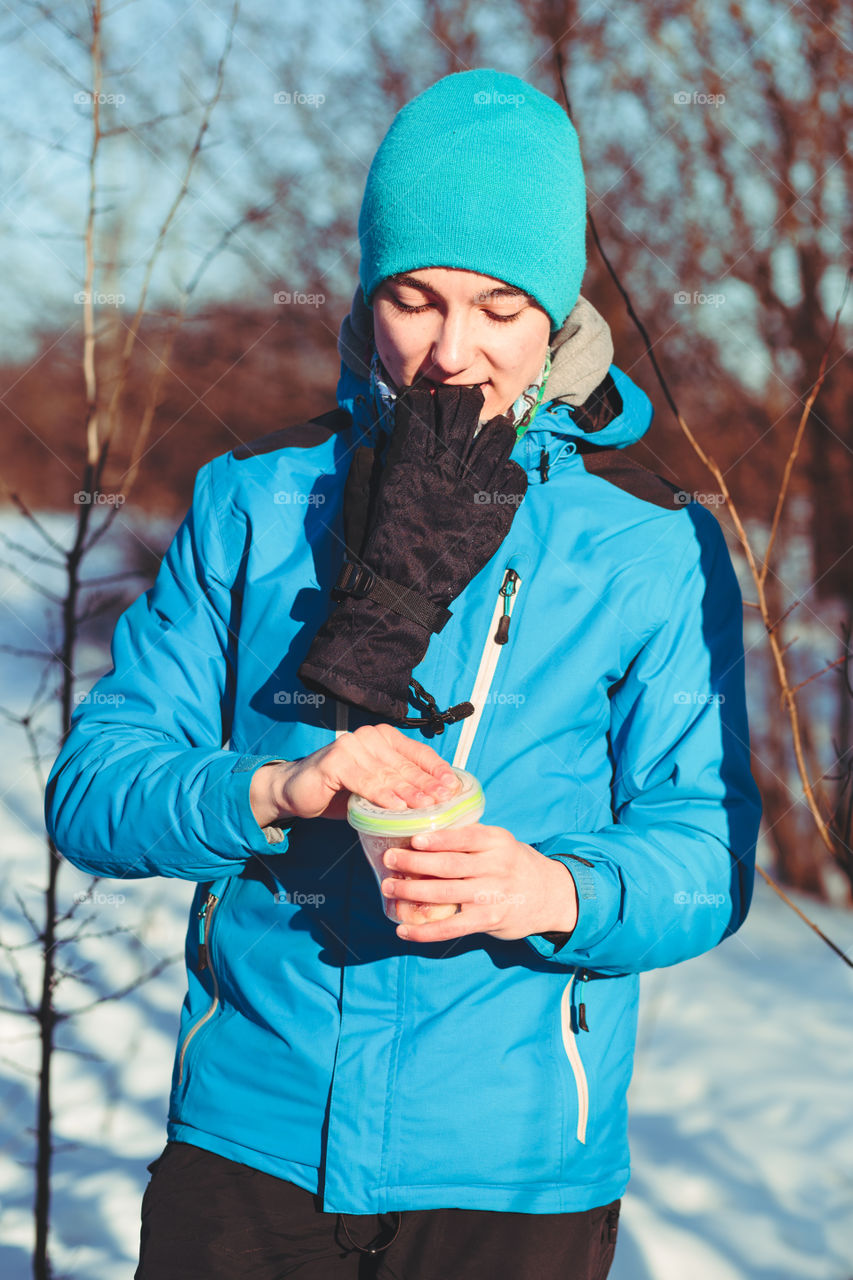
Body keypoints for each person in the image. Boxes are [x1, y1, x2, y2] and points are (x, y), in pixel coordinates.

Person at [44, 68, 762, 1280]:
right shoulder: (257, 503)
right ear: (369, 296)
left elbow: (705, 847)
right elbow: (96, 788)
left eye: (498, 306)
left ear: (557, 311)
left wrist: (550, 890)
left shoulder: (648, 540)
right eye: (414, 300)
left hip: (516, 1163)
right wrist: (278, 789)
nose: (450, 351)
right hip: (249, 1146)